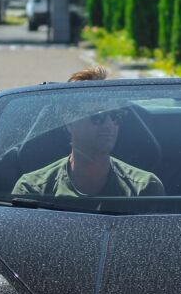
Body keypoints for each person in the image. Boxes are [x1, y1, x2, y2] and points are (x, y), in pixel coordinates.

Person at [12, 66, 165, 197]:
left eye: (115, 116)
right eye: (97, 116)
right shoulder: (32, 191)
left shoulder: (144, 189)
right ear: (69, 122)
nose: (109, 124)